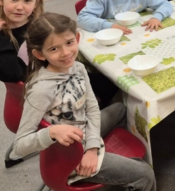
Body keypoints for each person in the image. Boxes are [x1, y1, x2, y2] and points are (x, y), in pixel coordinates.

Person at [10, 13, 156, 191]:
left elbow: (92, 108)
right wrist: (52, 132)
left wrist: (92, 147)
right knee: (145, 173)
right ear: (40, 54)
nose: (66, 53)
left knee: (121, 108)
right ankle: (109, 168)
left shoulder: (77, 67)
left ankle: (109, 162)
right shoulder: (41, 91)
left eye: (69, 42)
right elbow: (19, 146)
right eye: (54, 49)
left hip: (84, 134)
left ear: (77, 38)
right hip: (71, 157)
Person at [0, 0, 43, 83]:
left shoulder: (41, 26)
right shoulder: (2, 34)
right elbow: (12, 74)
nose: (19, 7)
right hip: (25, 89)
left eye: (27, 1)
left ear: (36, 3)